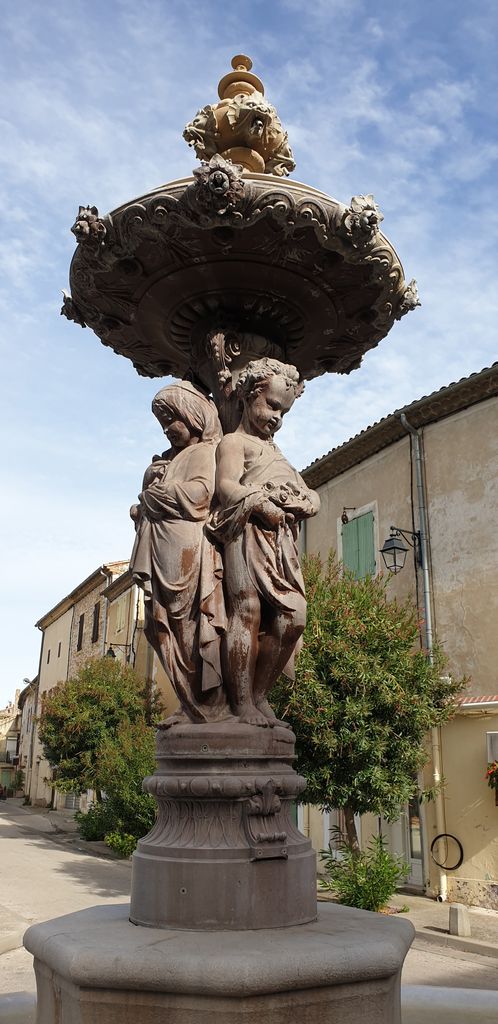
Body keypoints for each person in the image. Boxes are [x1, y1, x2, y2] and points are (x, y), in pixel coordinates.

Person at [209, 357, 320, 727]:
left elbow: (311, 495)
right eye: (272, 406)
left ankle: (258, 695)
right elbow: (226, 487)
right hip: (245, 532)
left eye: (283, 412)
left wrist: (305, 502)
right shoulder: (234, 442)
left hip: (280, 544)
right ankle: (241, 703)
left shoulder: (276, 453)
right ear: (249, 396)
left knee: (294, 617)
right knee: (248, 611)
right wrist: (259, 502)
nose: (277, 418)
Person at [130, 381, 230, 726]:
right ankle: (189, 702)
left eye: (172, 420)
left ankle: (208, 703)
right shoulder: (169, 461)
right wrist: (149, 487)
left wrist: (156, 494)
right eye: (163, 424)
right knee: (159, 631)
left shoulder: (205, 452)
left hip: (186, 553)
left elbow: (202, 495)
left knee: (189, 627)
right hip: (161, 551)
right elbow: (151, 500)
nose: (167, 429)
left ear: (194, 416)